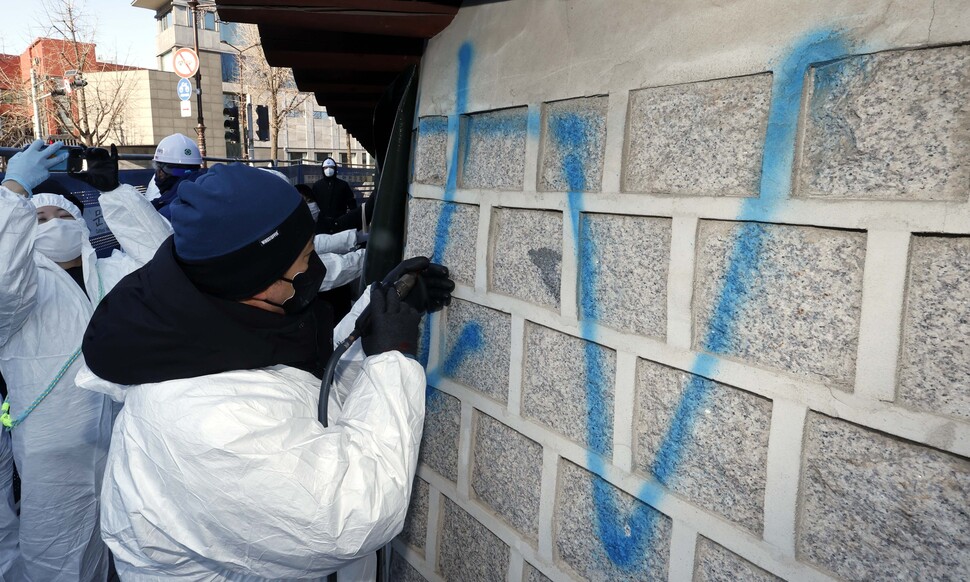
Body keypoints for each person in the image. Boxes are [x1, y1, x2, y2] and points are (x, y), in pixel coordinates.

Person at [77, 163, 454, 581]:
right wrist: (391, 360)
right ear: (256, 277)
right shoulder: (206, 418)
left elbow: (302, 391)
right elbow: (354, 513)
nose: (317, 270)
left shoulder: (219, 328)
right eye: (306, 258)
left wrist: (374, 311)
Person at [0, 140, 173, 581]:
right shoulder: (24, 289)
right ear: (21, 228)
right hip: (51, 447)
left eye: (63, 215)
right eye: (38, 218)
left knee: (135, 546)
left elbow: (168, 266)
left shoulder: (111, 272)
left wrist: (115, 195)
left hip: (124, 436)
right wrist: (15, 191)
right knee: (57, 556)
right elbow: (3, 283)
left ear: (81, 223)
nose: (53, 225)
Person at [145, 133, 204, 220]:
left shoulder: (165, 214)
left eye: (157, 168)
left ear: (162, 171)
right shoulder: (207, 189)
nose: (157, 174)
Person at [311, 157, 357, 234]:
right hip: (322, 224)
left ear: (335, 168)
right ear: (322, 169)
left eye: (331, 167)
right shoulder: (317, 186)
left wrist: (354, 219)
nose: (328, 170)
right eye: (326, 167)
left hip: (340, 222)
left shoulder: (343, 185)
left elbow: (351, 203)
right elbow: (313, 205)